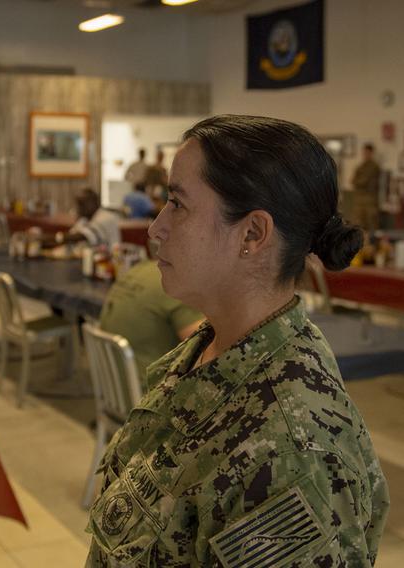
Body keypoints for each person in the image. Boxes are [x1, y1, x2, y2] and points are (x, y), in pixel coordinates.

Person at [85, 115, 388, 566]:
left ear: (252, 233)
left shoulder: (291, 450)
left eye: (178, 204)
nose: (155, 228)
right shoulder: (209, 350)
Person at [98, 258, 202, 388]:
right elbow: (204, 349)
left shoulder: (138, 270)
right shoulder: (178, 284)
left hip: (114, 385)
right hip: (152, 394)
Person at [351, 143, 381, 232]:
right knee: (358, 222)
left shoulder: (374, 166)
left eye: (367, 152)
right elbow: (353, 181)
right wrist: (357, 182)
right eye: (364, 152)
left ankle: (374, 243)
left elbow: (363, 181)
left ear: (371, 153)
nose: (365, 154)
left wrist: (358, 182)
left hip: (370, 199)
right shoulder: (361, 166)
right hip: (359, 198)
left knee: (372, 222)